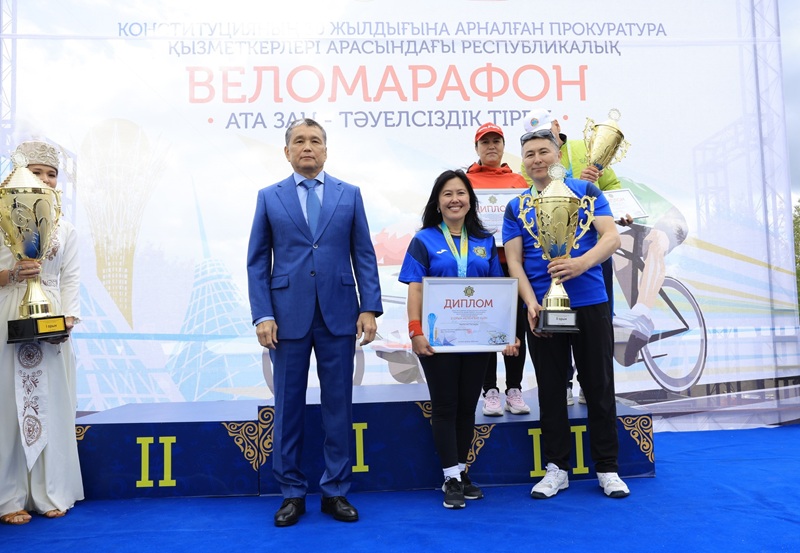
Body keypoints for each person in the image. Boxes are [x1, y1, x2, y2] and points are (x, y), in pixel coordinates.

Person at [247, 118, 383, 527]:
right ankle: (291, 493)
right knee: (287, 406)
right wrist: (263, 314)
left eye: (315, 141)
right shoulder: (269, 197)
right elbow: (257, 261)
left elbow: (363, 254)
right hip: (285, 317)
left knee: (338, 406)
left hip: (340, 314)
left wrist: (369, 307)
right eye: (299, 141)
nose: (308, 147)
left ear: (326, 149)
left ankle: (335, 491)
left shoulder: (349, 194)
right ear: (286, 151)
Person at [503, 129, 631, 499]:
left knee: (598, 385)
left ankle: (607, 468)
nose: (537, 159)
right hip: (544, 307)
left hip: (589, 301)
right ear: (524, 161)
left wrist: (580, 264)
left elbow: (611, 237)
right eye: (530, 154)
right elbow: (514, 261)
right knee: (551, 388)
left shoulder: (586, 191)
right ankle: (556, 468)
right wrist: (530, 303)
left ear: (558, 154)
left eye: (544, 151)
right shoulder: (517, 206)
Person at [399, 169, 518, 509]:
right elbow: (416, 290)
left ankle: (462, 472)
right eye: (448, 194)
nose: (455, 199)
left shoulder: (484, 241)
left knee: (467, 406)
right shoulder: (424, 240)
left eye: (461, 193)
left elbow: (496, 292)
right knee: (445, 406)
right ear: (437, 202)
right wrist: (415, 331)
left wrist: (506, 333)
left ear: (470, 200)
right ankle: (450, 477)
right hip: (438, 341)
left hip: (477, 341)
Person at [521, 108, 630, 406]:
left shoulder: (587, 150)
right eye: (531, 149)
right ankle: (566, 384)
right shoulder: (528, 166)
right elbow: (529, 197)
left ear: (557, 128)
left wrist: (617, 207)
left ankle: (589, 384)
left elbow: (612, 189)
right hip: (547, 274)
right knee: (552, 369)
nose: (537, 156)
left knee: (596, 350)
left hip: (589, 260)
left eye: (546, 134)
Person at [0, 141, 83, 525]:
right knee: (7, 408)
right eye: (37, 172)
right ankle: (8, 497)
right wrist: (11, 274)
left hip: (51, 320)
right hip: (7, 314)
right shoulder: (0, 217)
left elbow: (70, 279)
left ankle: (51, 490)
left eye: (51, 174)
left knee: (50, 402)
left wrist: (67, 321)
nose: (45, 179)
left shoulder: (65, 227)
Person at [466, 122, 531, 416]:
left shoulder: (518, 181)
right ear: (477, 147)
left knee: (517, 329)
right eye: (485, 142)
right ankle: (489, 390)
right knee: (484, 327)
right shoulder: (465, 180)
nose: (491, 146)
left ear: (504, 147)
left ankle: (514, 389)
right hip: (480, 267)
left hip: (514, 267)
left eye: (496, 141)